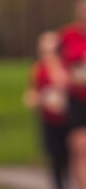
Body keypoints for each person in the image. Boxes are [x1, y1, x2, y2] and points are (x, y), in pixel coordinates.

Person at [25, 31, 69, 189]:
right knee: (55, 157)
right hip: (48, 119)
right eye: (45, 50)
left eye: (52, 49)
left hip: (69, 118)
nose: (48, 53)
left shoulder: (66, 65)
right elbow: (32, 92)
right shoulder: (37, 68)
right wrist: (37, 99)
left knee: (68, 157)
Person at [60, 0, 86, 189]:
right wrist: (65, 78)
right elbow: (51, 61)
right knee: (79, 147)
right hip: (76, 99)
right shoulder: (67, 35)